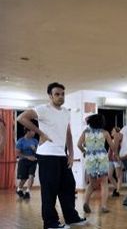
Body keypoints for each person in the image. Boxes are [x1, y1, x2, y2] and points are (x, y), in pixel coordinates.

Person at [17, 82, 86, 229]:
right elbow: (21, 118)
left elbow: (68, 133)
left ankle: (71, 217)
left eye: (62, 94)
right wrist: (41, 133)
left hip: (62, 154)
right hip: (47, 155)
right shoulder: (43, 109)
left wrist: (71, 154)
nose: (60, 97)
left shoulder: (66, 112)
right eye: (57, 94)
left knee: (69, 186)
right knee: (50, 190)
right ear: (50, 96)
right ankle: (50, 223)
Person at [77, 114, 119, 213]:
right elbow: (113, 148)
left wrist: (84, 151)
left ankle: (86, 202)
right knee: (104, 182)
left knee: (92, 183)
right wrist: (116, 140)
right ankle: (103, 206)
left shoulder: (85, 132)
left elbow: (79, 144)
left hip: (90, 158)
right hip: (102, 158)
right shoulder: (105, 133)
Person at [15, 128, 39, 199]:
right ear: (28, 131)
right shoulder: (21, 141)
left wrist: (34, 149)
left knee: (31, 176)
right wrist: (27, 157)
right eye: (33, 130)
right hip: (23, 161)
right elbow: (17, 153)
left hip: (33, 161)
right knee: (24, 178)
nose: (34, 132)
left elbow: (38, 152)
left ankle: (28, 192)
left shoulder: (35, 141)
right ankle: (19, 189)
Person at [107, 127, 123, 197]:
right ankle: (116, 188)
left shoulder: (120, 140)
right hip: (110, 159)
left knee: (118, 175)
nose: (111, 132)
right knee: (109, 175)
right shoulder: (112, 140)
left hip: (117, 159)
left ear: (117, 132)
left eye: (113, 131)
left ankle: (117, 191)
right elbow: (109, 150)